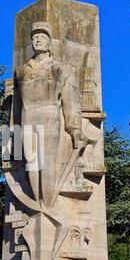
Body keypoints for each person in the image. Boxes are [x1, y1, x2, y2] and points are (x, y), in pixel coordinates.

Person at [14, 21, 82, 207]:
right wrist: (14, 130)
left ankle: (49, 205)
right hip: (28, 116)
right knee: (32, 163)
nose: (38, 40)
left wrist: (75, 129)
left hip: (50, 115)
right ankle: (38, 204)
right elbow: (17, 105)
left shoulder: (60, 69)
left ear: (50, 42)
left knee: (48, 162)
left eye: (42, 37)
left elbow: (71, 101)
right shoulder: (21, 71)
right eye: (35, 37)